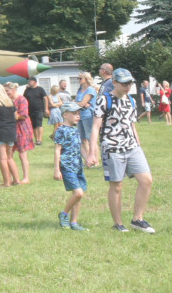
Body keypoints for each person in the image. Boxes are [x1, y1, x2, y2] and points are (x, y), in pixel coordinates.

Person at [89, 68, 155, 233]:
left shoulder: (131, 101)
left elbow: (132, 125)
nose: (128, 86)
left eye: (130, 83)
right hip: (112, 148)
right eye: (124, 83)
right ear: (115, 82)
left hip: (132, 147)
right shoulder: (104, 100)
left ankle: (137, 219)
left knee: (146, 180)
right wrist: (92, 152)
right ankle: (118, 224)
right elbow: (96, 127)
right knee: (117, 185)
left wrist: (138, 146)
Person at [53, 101, 88, 231]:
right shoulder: (61, 130)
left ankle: (74, 223)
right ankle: (64, 214)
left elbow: (80, 147)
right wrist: (57, 169)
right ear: (66, 115)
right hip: (67, 166)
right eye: (74, 113)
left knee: (78, 194)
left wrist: (88, 158)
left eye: (78, 113)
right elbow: (57, 150)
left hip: (78, 166)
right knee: (78, 193)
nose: (78, 116)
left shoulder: (75, 129)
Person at [10, 82, 33, 184]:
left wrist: (14, 114)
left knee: (22, 154)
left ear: (13, 89)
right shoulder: (8, 100)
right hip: (11, 128)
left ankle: (26, 177)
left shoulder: (22, 99)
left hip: (22, 128)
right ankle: (12, 177)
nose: (6, 93)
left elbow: (23, 115)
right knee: (9, 154)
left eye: (7, 91)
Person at [76, 72, 97, 168]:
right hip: (79, 116)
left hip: (88, 115)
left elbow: (83, 103)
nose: (78, 80)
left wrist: (79, 103)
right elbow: (81, 103)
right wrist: (80, 103)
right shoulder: (80, 89)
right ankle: (88, 160)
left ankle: (95, 160)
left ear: (86, 79)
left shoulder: (90, 90)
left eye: (80, 78)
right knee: (81, 139)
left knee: (90, 138)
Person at [23, 77, 48, 145]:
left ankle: (40, 139)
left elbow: (45, 98)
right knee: (33, 125)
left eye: (30, 81)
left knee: (39, 124)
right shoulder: (27, 90)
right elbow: (24, 99)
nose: (29, 82)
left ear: (35, 82)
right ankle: (36, 139)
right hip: (30, 110)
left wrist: (46, 108)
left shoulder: (40, 89)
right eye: (29, 81)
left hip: (39, 109)